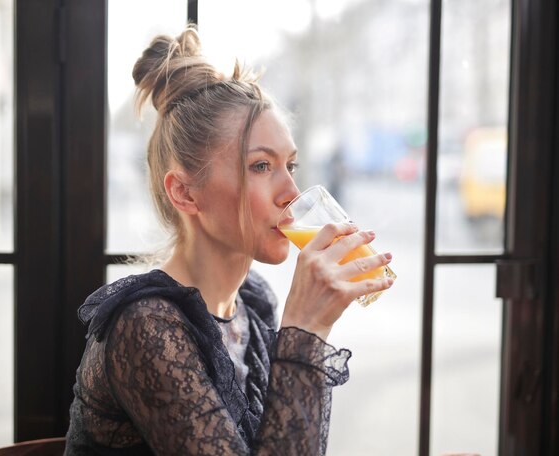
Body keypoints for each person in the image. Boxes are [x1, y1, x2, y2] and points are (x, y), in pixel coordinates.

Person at [64, 25, 394, 455]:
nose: (291, 192)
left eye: (289, 165)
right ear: (184, 192)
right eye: (260, 166)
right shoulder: (146, 326)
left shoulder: (252, 303)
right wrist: (307, 327)